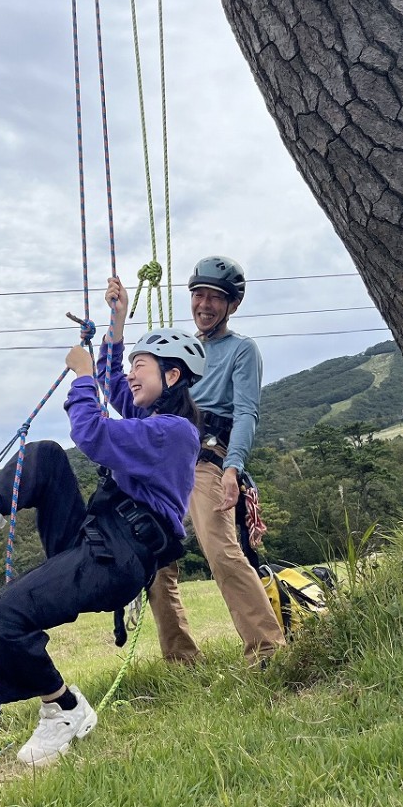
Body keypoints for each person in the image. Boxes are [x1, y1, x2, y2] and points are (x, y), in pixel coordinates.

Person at [0, 277, 204, 767]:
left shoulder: (173, 433)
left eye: (143, 366)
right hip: (93, 537)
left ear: (174, 378)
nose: (132, 375)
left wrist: (81, 378)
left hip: (116, 557)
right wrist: (117, 325)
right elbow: (117, 386)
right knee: (48, 456)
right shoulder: (152, 422)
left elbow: (94, 432)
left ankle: (65, 709)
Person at [148, 255, 286, 666]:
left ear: (232, 305)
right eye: (198, 295)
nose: (204, 305)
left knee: (221, 551)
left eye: (214, 298)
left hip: (209, 457)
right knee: (154, 561)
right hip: (168, 460)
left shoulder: (241, 351)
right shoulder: (179, 350)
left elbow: (246, 413)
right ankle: (181, 660)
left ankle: (266, 650)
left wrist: (233, 467)